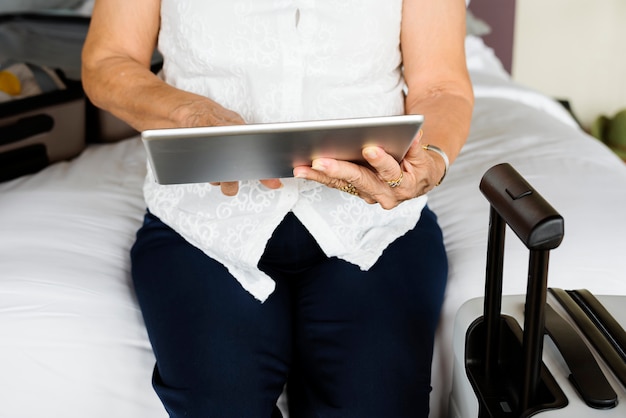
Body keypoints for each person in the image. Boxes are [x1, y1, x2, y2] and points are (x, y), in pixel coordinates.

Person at [82, 0, 474, 416]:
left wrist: (430, 158)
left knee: (376, 404)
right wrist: (187, 113)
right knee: (219, 403)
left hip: (374, 223)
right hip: (202, 222)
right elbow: (108, 60)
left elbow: (440, 88)